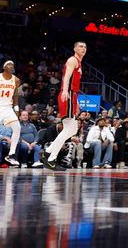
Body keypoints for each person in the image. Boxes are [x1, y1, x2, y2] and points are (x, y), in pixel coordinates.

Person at [43, 42, 87, 171]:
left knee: (72, 129)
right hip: (67, 95)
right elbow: (66, 76)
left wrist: (76, 101)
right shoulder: (73, 60)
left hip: (72, 96)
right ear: (74, 49)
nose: (83, 49)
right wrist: (65, 91)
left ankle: (48, 153)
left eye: (85, 47)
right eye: (80, 46)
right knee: (70, 128)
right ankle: (51, 158)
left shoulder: (79, 63)